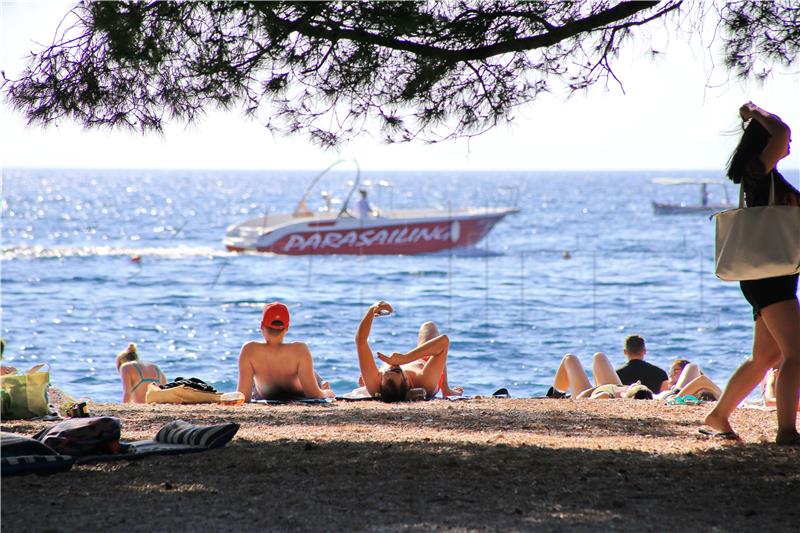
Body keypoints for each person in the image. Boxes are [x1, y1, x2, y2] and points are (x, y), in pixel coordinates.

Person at [704, 102, 800, 444]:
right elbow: (783, 131)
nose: (789, 144)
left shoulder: (766, 178)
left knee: (767, 356)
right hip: (770, 277)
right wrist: (754, 112)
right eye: (779, 141)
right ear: (765, 141)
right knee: (795, 354)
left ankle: (718, 416)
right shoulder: (757, 172)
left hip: (769, 276)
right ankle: (787, 431)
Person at [355, 300, 460, 401]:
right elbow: (443, 342)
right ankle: (446, 390)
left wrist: (371, 310)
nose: (392, 365)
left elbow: (360, 341)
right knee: (429, 327)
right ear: (408, 383)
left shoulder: (375, 384)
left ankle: (365, 382)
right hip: (424, 364)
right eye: (397, 370)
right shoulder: (425, 381)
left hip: (382, 383)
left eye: (384, 372)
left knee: (368, 377)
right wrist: (405, 359)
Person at [236, 301, 335, 401]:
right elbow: (313, 394)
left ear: (262, 326)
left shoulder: (249, 349)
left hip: (265, 393)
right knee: (310, 373)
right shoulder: (300, 350)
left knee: (255, 382)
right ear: (287, 327)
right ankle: (321, 383)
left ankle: (321, 382)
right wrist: (327, 393)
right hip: (297, 392)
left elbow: (243, 396)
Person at [549, 352, 654, 400]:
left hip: (587, 392)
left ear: (631, 391)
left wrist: (595, 388)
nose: (638, 382)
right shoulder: (635, 394)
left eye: (636, 385)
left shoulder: (605, 395)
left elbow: (581, 400)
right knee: (599, 357)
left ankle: (557, 394)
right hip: (612, 387)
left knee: (570, 359)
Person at [657, 359, 721, 401]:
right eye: (670, 371)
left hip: (676, 397)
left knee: (692, 367)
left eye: (674, 370)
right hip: (675, 397)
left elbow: (702, 380)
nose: (670, 374)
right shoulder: (667, 391)